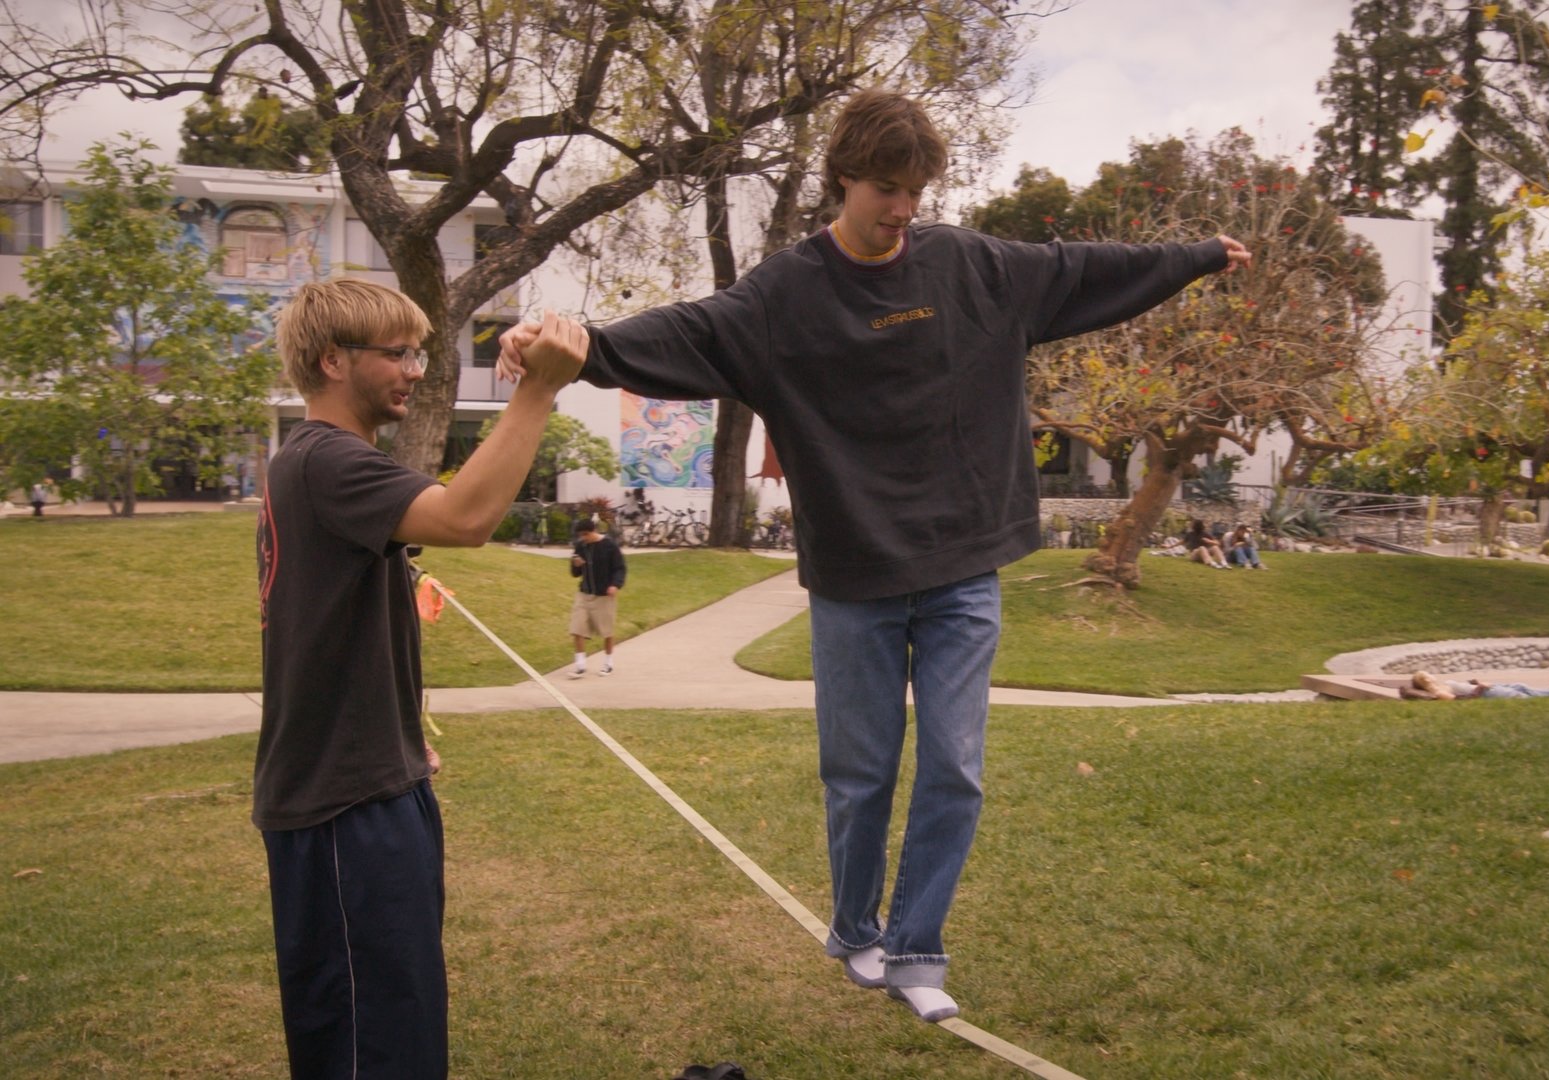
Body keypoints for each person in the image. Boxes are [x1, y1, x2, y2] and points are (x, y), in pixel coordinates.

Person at [497, 88, 1251, 1023]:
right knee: (859, 775)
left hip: (962, 566)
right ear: (843, 178)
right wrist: (569, 343)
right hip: (856, 576)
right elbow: (685, 332)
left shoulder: (971, 266)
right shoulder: (783, 296)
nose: (902, 209)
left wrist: (1196, 257)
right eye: (886, 189)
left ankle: (918, 948)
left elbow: (1083, 269)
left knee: (954, 766)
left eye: (916, 192)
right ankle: (858, 928)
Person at [254, 279, 585, 1078]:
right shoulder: (329, 460)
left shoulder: (317, 464)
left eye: (419, 354)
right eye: (397, 354)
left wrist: (395, 739)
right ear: (333, 360)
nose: (415, 371)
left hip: (369, 782)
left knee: (394, 1023)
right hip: (345, 805)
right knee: (373, 1044)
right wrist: (538, 388)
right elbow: (465, 518)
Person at [568, 516, 626, 677]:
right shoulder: (580, 546)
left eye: (586, 534)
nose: (583, 538)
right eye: (581, 535)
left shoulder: (609, 546)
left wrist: (615, 585)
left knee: (607, 631)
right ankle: (580, 665)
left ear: (593, 531)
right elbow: (575, 573)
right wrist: (575, 565)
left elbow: (620, 568)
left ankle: (608, 663)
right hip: (584, 594)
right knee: (577, 628)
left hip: (604, 595)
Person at [1402, 671, 1549, 699]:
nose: (1431, 675)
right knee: (1521, 696)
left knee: (1521, 686)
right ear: (1426, 681)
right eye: (1427, 675)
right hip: (1485, 694)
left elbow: (1461, 689)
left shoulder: (1442, 685)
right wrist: (1479, 688)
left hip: (1486, 688)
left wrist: (1474, 683)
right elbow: (1458, 700)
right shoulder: (1439, 692)